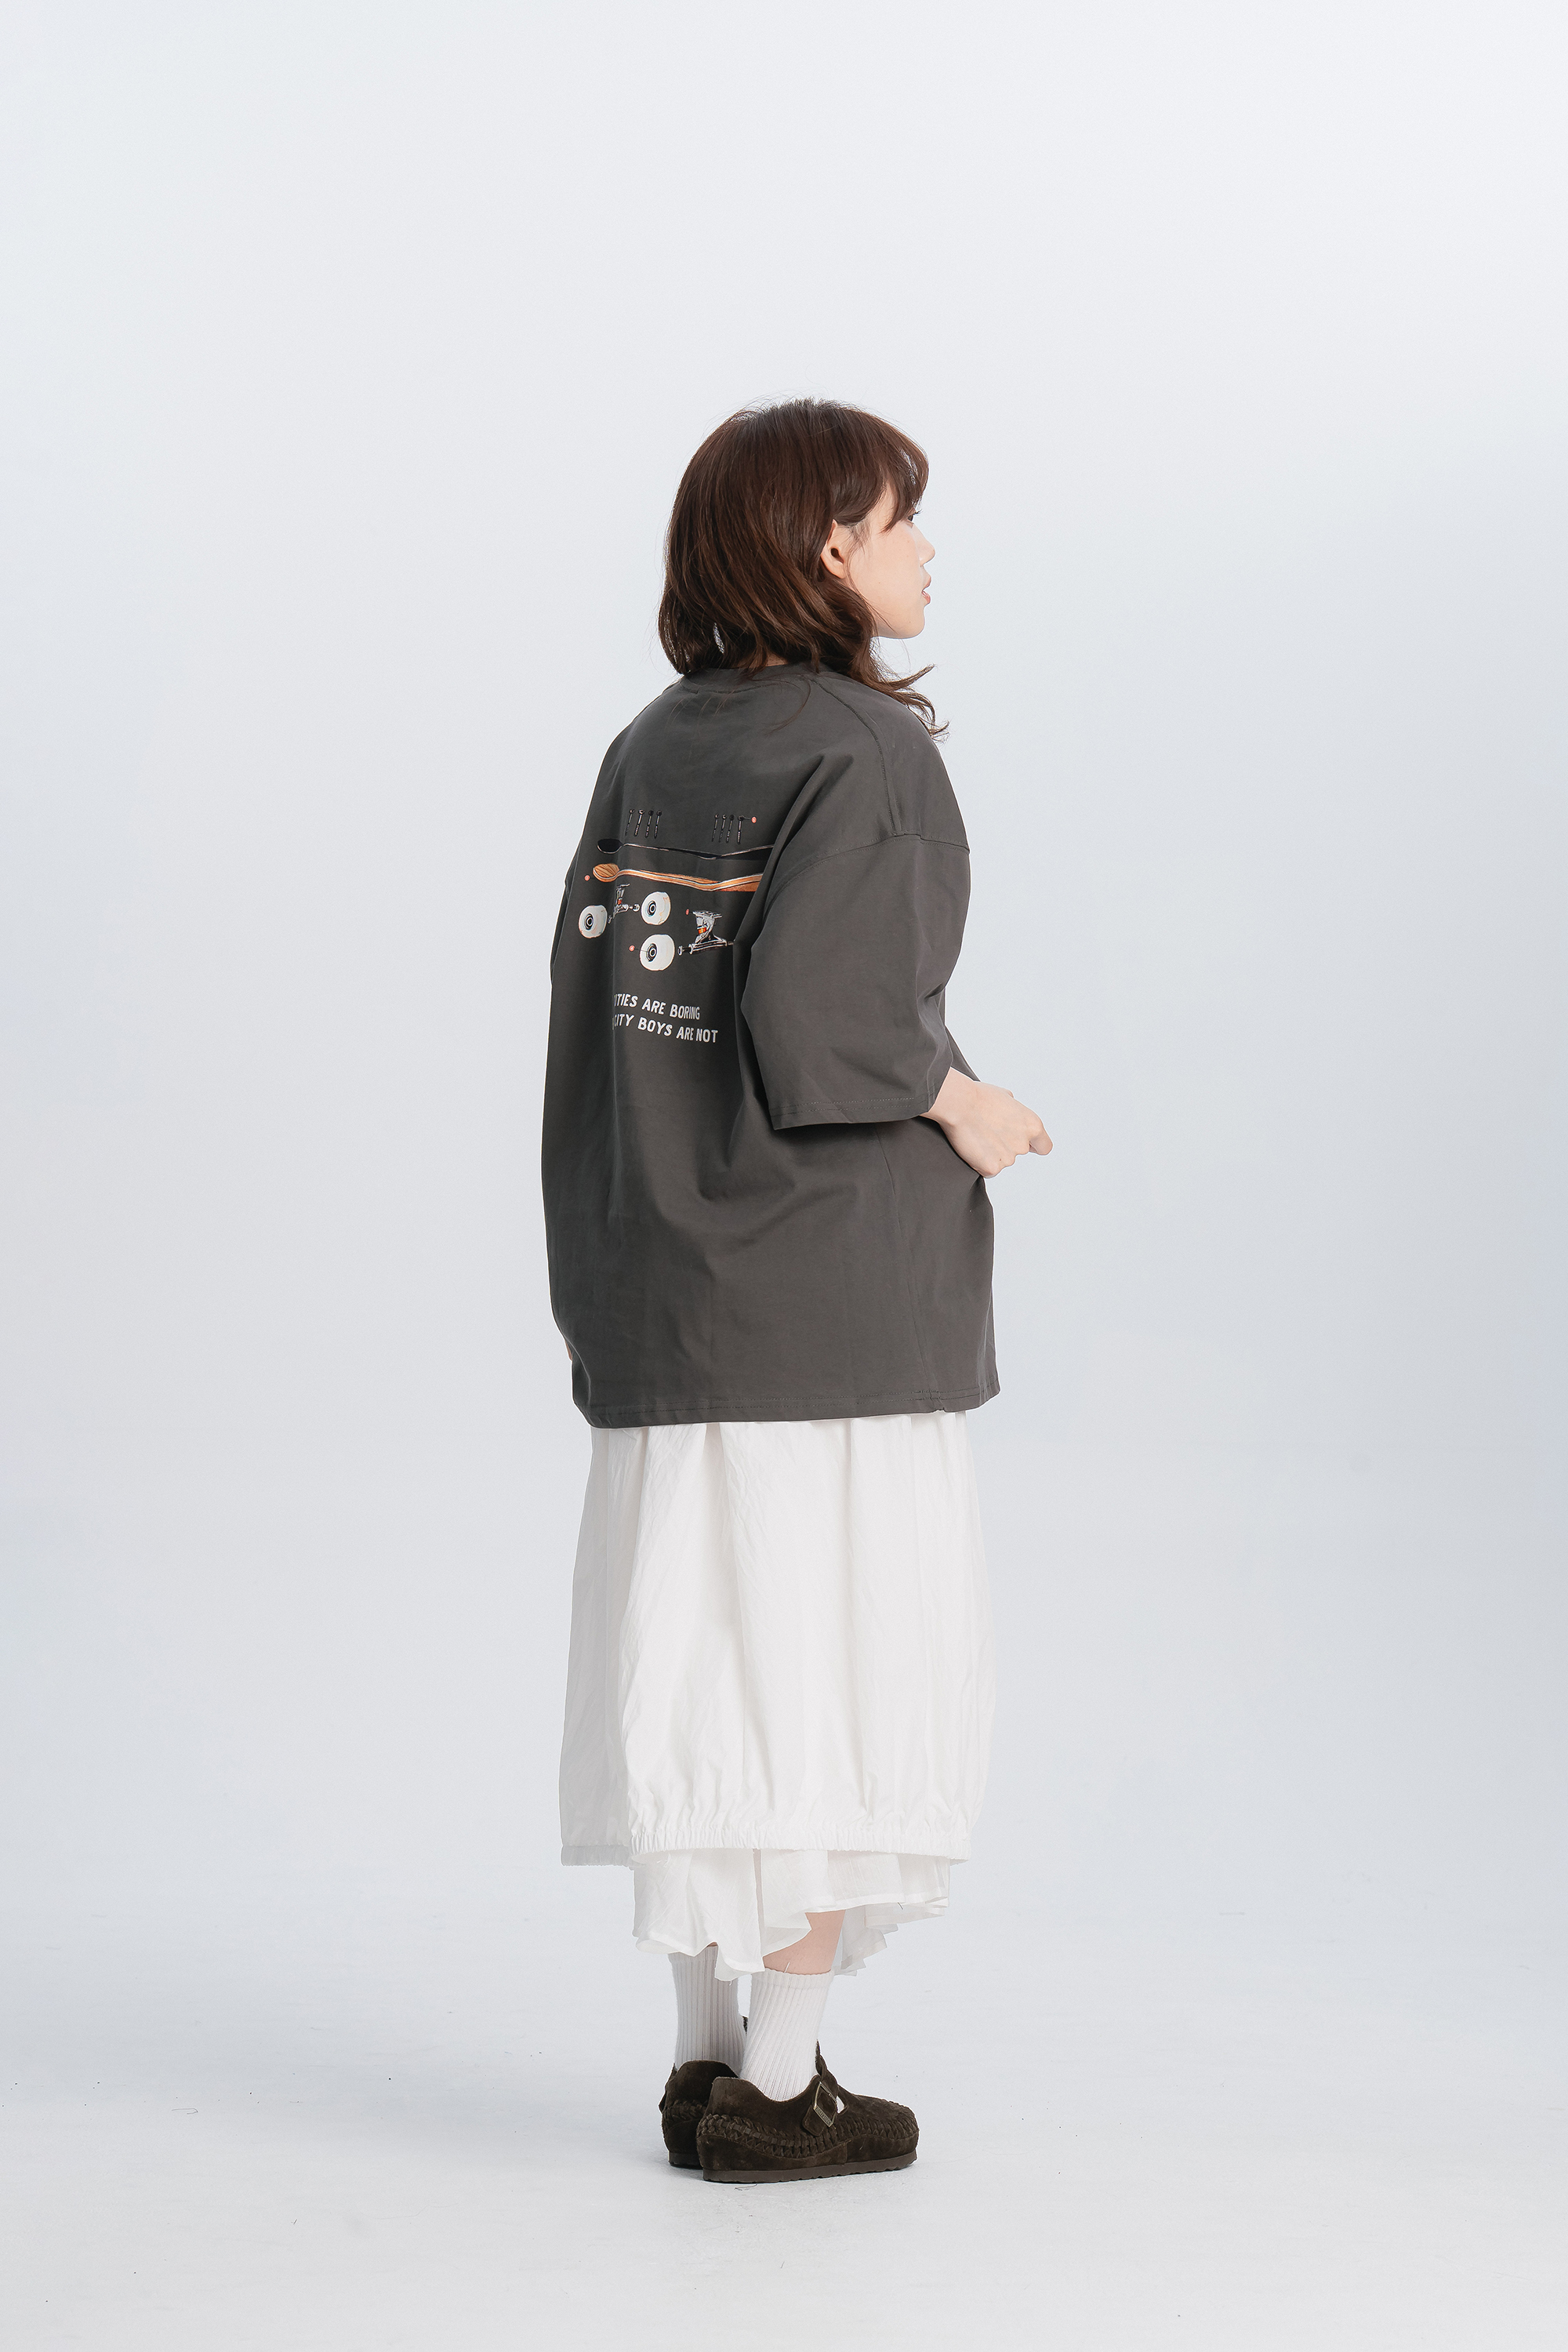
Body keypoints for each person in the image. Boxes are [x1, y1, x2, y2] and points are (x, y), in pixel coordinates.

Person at [542, 399, 1051, 2185]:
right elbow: (835, 1033)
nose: (926, 551)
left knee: (708, 1686)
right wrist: (969, 1106)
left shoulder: (654, 745)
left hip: (669, 1302)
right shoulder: (866, 753)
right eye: (903, 520)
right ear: (831, 547)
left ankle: (703, 2067)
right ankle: (780, 2081)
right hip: (827, 1317)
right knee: (836, 1684)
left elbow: (609, 1030)